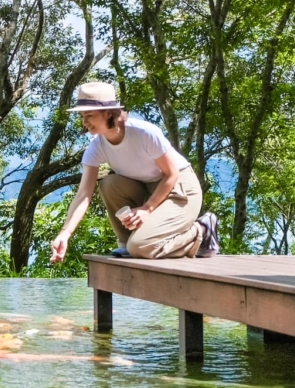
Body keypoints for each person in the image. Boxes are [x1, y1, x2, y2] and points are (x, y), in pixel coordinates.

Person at [50, 81, 219, 262]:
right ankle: (127, 243)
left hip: (180, 190)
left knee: (142, 247)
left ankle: (201, 230)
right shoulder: (97, 146)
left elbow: (172, 174)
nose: (85, 122)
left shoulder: (144, 133)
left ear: (108, 113)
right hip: (148, 190)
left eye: (89, 115)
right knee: (109, 184)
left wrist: (147, 208)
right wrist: (65, 234)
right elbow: (83, 194)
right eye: (82, 116)